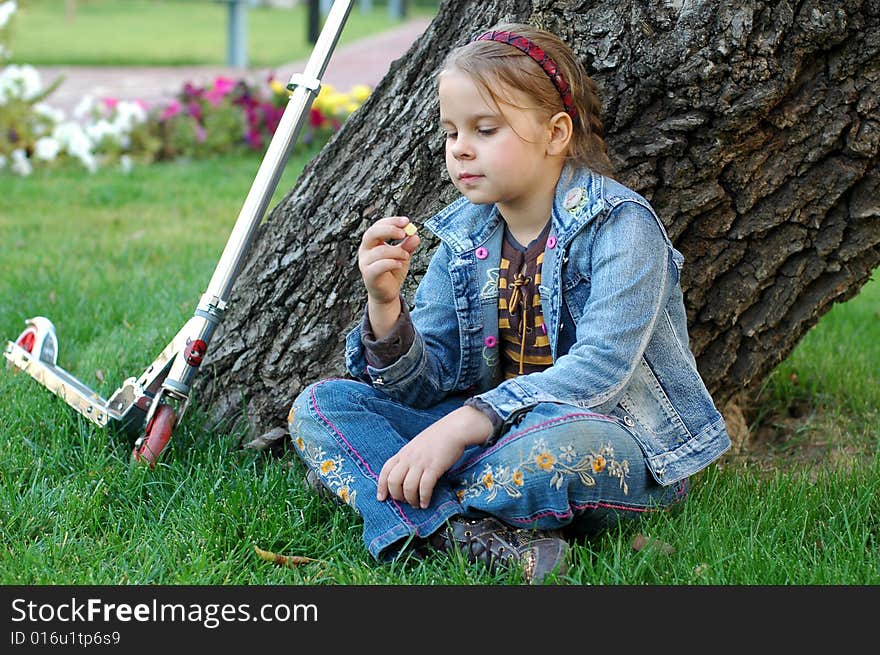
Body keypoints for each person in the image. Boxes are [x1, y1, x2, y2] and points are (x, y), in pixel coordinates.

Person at [288, 22, 731, 584]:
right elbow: (430, 383)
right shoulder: (465, 237)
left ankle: (381, 485)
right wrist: (384, 306)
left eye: (485, 129)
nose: (461, 148)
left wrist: (466, 424)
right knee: (321, 405)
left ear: (555, 133)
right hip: (486, 436)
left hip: (608, 437)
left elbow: (601, 370)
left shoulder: (621, 226)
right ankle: (462, 532)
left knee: (557, 452)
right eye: (451, 132)